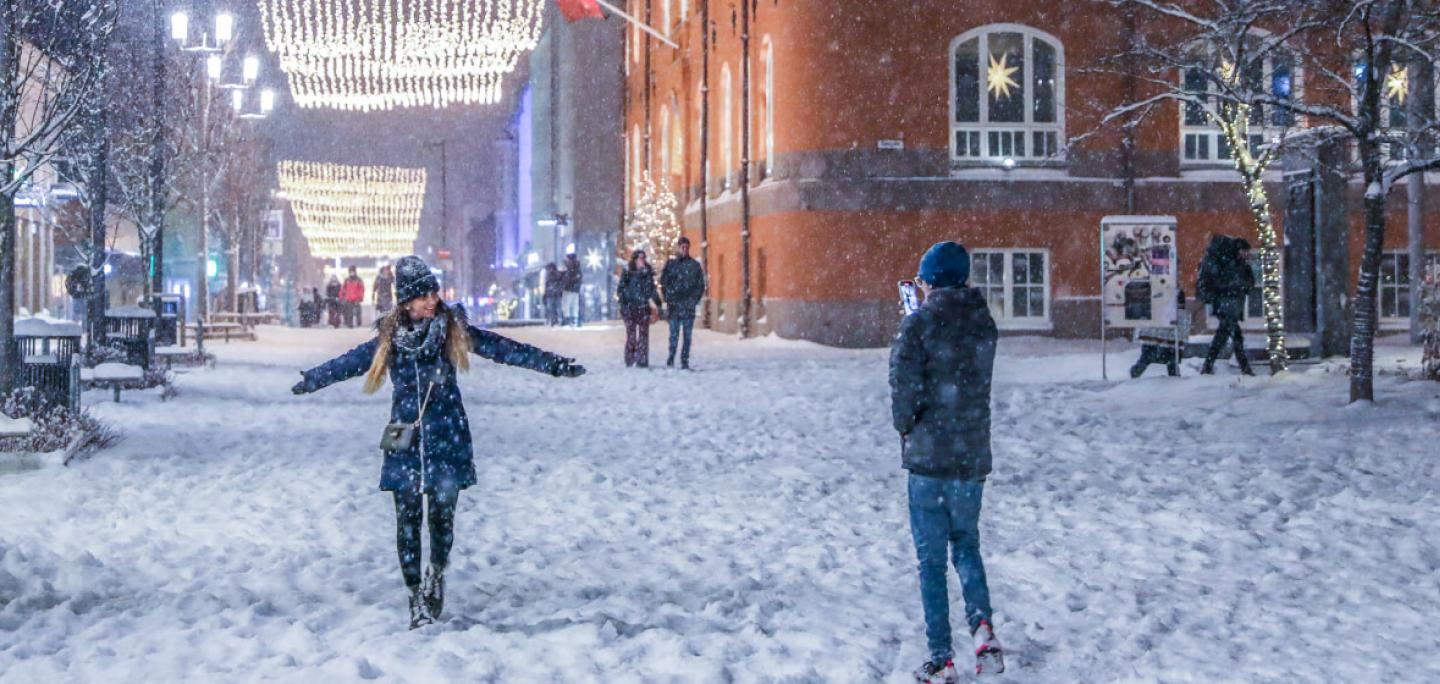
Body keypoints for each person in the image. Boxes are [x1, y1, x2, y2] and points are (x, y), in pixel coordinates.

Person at [290, 255, 586, 630]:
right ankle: (415, 596)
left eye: (434, 292)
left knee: (441, 521)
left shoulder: (451, 330)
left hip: (446, 437)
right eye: (424, 294)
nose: (433, 299)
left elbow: (503, 348)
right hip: (405, 441)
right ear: (407, 301)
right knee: (407, 523)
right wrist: (313, 379)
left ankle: (436, 572)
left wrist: (553, 365)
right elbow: (350, 362)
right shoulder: (389, 339)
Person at [889, 241, 1004, 681]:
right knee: (968, 546)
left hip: (929, 460)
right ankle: (982, 626)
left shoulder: (919, 325)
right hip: (971, 455)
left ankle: (941, 656)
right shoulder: (983, 323)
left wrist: (912, 322)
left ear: (931, 279)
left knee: (931, 562)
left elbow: (904, 392)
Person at [1197, 235, 1255, 375]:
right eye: (1245, 251)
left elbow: (1248, 284)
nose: (1247, 254)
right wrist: (1237, 286)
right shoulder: (1231, 264)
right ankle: (1244, 368)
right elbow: (1228, 284)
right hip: (1227, 305)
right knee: (1234, 337)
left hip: (1229, 305)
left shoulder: (1237, 263)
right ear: (1240, 249)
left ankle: (1208, 366)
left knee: (1224, 336)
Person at [659, 236, 705, 370]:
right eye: (682, 247)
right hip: (674, 306)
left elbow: (700, 286)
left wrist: (693, 300)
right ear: (678, 247)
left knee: (687, 336)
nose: (684, 249)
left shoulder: (694, 266)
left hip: (688, 307)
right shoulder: (671, 264)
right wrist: (668, 298)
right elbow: (664, 282)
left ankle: (684, 360)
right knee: (673, 335)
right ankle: (671, 357)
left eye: (686, 247)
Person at [1130, 289, 1191, 378]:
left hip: (1154, 334)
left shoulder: (1155, 290)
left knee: (1147, 357)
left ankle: (1137, 371)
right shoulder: (1175, 292)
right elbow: (1181, 312)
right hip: (1170, 338)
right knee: (1171, 359)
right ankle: (1174, 375)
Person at [618, 249, 663, 368]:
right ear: (635, 260)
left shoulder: (647, 273)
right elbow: (621, 290)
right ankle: (630, 359)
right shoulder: (628, 272)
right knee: (631, 335)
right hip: (630, 308)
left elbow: (652, 290)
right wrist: (624, 303)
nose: (643, 260)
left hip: (643, 307)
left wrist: (658, 303)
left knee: (643, 335)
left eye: (644, 257)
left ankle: (642, 360)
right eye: (640, 258)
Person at [561, 254, 583, 327]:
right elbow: (579, 278)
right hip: (575, 289)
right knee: (574, 305)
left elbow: (569, 278)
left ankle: (567, 320)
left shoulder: (570, 268)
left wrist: (566, 283)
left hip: (569, 289)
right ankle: (574, 320)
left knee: (567, 305)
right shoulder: (577, 268)